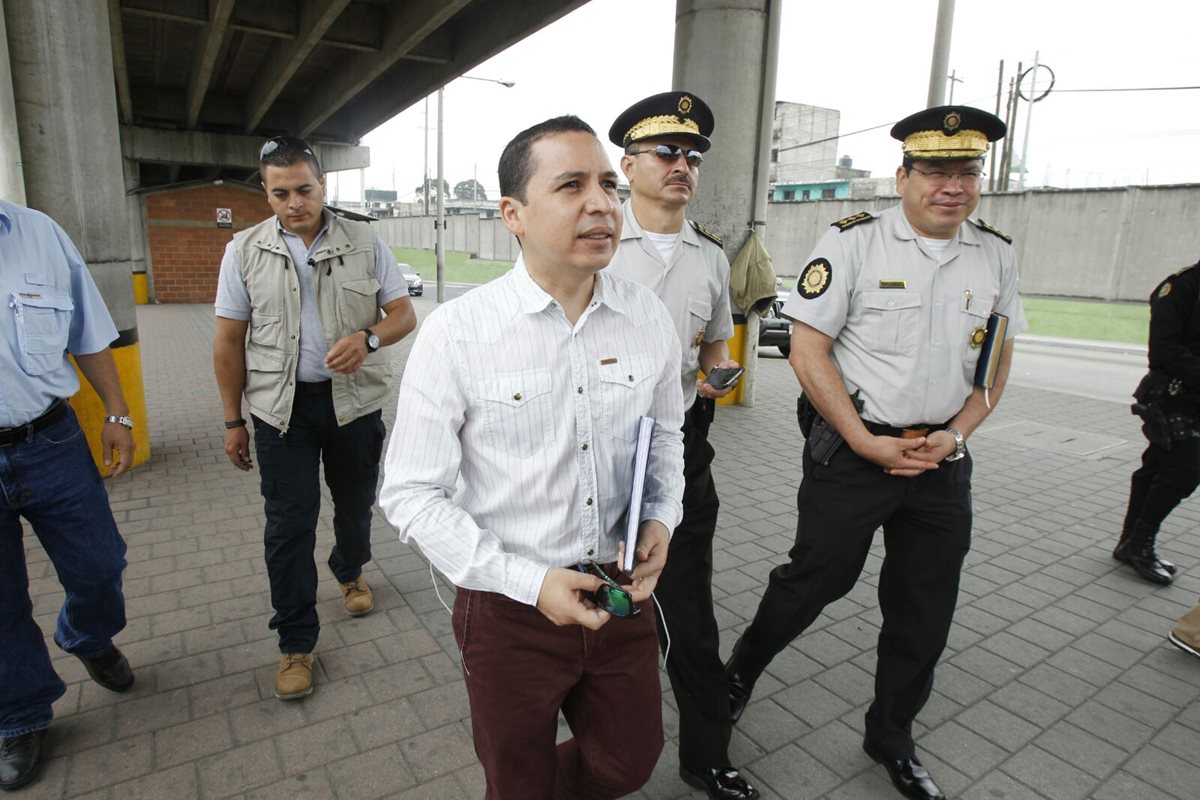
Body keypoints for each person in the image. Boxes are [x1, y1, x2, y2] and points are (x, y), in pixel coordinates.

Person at [378, 115, 685, 799]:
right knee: (515, 778)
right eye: (571, 185)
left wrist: (662, 516)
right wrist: (526, 582)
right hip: (510, 611)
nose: (602, 202)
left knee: (631, 759)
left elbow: (665, 437)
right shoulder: (458, 334)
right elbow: (409, 494)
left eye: (608, 183)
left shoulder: (648, 318)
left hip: (618, 592)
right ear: (512, 214)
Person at [724, 106, 1024, 800]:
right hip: (858, 452)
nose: (952, 185)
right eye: (936, 172)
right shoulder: (854, 243)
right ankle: (739, 672)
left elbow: (998, 361)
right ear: (903, 177)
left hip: (940, 460)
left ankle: (891, 732)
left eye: (966, 171)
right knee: (815, 580)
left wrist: (959, 434)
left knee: (925, 606)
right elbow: (807, 348)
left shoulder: (997, 253)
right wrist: (864, 440)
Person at [212, 136, 416, 701]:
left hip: (353, 403)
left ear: (323, 184)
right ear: (266, 191)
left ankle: (349, 568)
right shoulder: (244, 250)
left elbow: (403, 314)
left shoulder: (365, 238)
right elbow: (229, 340)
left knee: (354, 505)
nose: (294, 202)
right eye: (281, 193)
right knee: (288, 526)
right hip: (281, 412)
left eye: (304, 189)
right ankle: (295, 643)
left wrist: (368, 338)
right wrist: (233, 421)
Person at [605, 91, 757, 800]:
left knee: (689, 606)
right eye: (667, 153)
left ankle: (705, 756)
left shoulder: (710, 259)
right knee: (592, 599)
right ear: (628, 163)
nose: (682, 166)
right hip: (592, 447)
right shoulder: (595, 243)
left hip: (681, 447)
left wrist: (716, 374)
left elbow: (719, 340)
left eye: (692, 156)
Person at [0, 199, 137, 791]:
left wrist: (119, 414)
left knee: (100, 564)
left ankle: (86, 634)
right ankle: (22, 716)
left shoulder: (39, 234)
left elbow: (86, 331)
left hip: (49, 441)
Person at [1112, 260, 1200, 585]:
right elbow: (1164, 348)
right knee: (1184, 473)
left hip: (1195, 398)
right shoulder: (1182, 286)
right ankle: (1139, 543)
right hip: (1173, 395)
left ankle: (1129, 543)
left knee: (1154, 468)